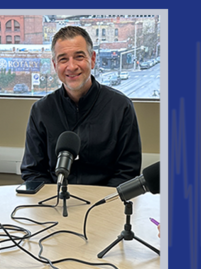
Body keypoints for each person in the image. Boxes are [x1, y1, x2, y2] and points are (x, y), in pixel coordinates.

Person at [21, 26, 142, 187]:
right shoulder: (41, 110)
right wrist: (55, 199)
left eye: (79, 57)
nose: (71, 67)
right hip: (54, 199)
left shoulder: (121, 107)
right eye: (63, 59)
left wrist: (99, 200)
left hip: (106, 200)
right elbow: (33, 171)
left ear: (92, 59)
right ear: (55, 65)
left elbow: (128, 172)